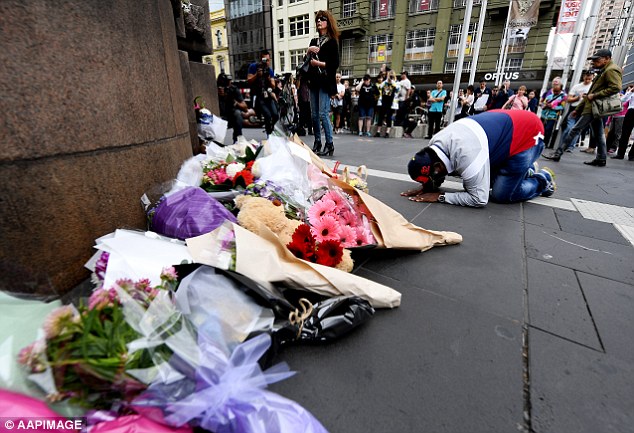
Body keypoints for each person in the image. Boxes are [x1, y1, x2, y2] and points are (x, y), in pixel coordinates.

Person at [401, 110, 556, 207]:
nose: (431, 184)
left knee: (501, 194)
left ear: (437, 167)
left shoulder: (467, 157)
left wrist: (440, 196)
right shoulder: (435, 144)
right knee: (489, 180)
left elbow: (479, 199)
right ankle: (526, 170)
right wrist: (427, 186)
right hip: (505, 130)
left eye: (430, 180)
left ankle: (542, 180)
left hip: (528, 134)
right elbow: (436, 170)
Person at [543, 49, 623, 166]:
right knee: (599, 134)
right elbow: (591, 93)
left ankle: (558, 153)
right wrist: (578, 109)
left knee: (575, 129)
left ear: (607, 58)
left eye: (597, 60)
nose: (594, 62)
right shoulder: (605, 70)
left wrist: (594, 96)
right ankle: (601, 158)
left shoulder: (611, 70)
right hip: (594, 107)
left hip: (594, 107)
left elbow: (616, 87)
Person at [306, 10, 340, 156]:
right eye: (317, 20)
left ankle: (329, 144)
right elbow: (306, 62)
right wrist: (308, 51)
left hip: (325, 82)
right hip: (313, 81)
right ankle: (317, 142)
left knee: (323, 114)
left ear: (328, 22)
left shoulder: (332, 41)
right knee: (314, 114)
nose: (319, 21)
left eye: (322, 19)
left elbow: (335, 64)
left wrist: (318, 63)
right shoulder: (314, 42)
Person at [560, 71, 594, 152]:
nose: (587, 80)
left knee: (577, 130)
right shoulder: (577, 86)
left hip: (585, 110)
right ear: (583, 77)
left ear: (592, 77)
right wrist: (578, 98)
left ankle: (570, 147)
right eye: (586, 78)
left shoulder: (593, 87)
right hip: (574, 109)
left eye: (589, 78)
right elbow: (568, 99)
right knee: (569, 128)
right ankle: (562, 146)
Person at [247, 50, 279, 137]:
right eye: (264, 60)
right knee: (267, 115)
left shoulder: (269, 70)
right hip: (258, 96)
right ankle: (269, 135)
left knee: (275, 115)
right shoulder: (254, 67)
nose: (266, 62)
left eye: (268, 60)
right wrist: (257, 74)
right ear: (260, 59)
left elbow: (273, 86)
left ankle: (270, 129)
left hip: (268, 96)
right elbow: (249, 80)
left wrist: (268, 77)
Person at [223, 74, 255, 144]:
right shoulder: (216, 89)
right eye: (226, 82)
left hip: (230, 113)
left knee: (237, 114)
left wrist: (235, 102)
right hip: (219, 113)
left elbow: (245, 107)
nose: (228, 84)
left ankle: (237, 139)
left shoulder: (233, 90)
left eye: (229, 81)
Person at [539, 77, 566, 148]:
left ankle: (545, 143)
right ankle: (539, 142)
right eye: (554, 84)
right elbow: (541, 102)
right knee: (541, 129)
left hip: (553, 116)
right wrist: (544, 105)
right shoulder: (548, 94)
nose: (555, 86)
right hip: (544, 114)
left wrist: (553, 107)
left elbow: (562, 106)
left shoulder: (563, 96)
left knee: (548, 130)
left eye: (557, 85)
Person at [612, 84, 634, 160]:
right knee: (625, 133)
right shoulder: (632, 92)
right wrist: (630, 92)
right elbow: (623, 100)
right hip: (631, 111)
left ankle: (632, 155)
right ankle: (620, 154)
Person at [376, 71, 398, 138]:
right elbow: (380, 87)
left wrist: (392, 81)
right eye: (389, 75)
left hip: (391, 103)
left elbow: (397, 88)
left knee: (389, 117)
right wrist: (387, 80)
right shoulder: (384, 82)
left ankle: (387, 132)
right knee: (381, 116)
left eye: (391, 76)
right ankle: (378, 131)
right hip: (384, 101)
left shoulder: (396, 83)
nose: (390, 77)